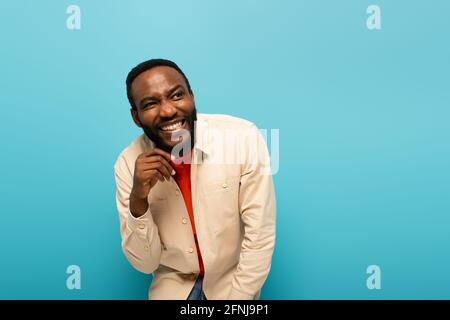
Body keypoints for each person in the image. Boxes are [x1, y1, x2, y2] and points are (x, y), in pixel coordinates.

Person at [114, 58, 276, 300]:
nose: (168, 110)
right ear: (136, 117)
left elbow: (259, 237)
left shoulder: (242, 138)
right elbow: (145, 264)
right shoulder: (127, 164)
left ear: (193, 96)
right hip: (171, 290)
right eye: (150, 104)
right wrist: (138, 198)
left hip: (233, 287)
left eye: (177, 95)